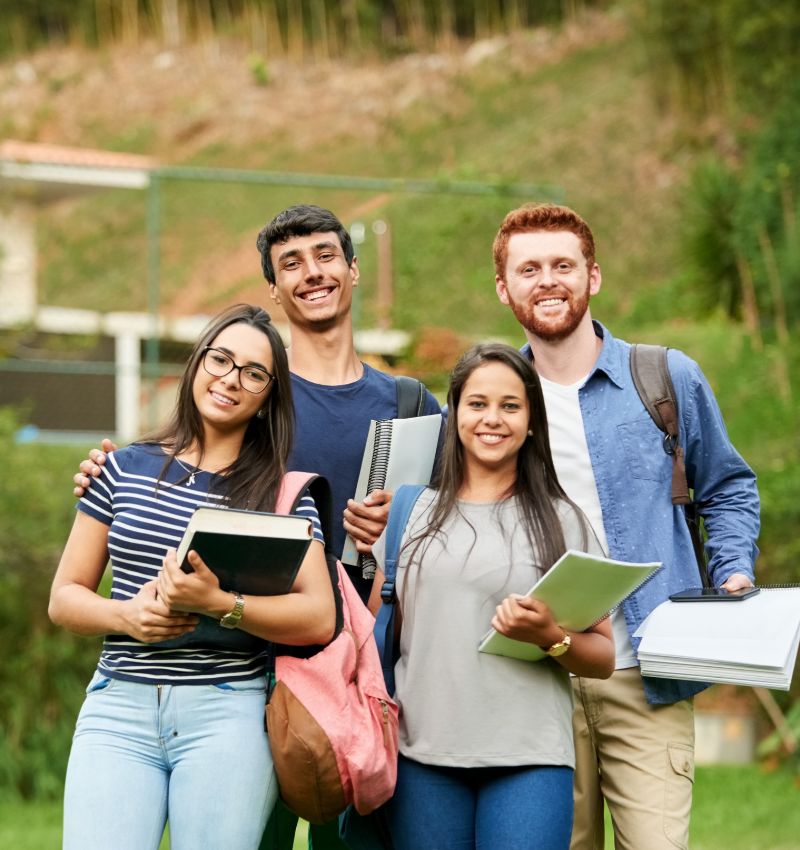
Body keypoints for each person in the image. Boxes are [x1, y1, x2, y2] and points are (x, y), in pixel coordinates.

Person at [71, 204, 442, 850]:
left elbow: (461, 523)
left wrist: (402, 525)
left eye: (326, 256)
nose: (312, 273)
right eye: (291, 264)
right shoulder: (248, 404)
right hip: (245, 675)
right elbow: (173, 486)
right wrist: (107, 476)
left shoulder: (409, 405)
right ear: (273, 288)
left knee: (350, 843)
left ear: (354, 269)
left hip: (354, 670)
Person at [491, 202, 760, 850]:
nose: (548, 279)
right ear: (504, 288)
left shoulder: (663, 378)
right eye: (529, 268)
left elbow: (726, 486)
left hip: (648, 677)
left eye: (563, 264)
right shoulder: (491, 399)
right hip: (535, 682)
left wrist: (732, 569)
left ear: (594, 277)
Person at [50, 304, 336, 850]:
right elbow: (64, 598)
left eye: (253, 373)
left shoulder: (282, 495)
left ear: (267, 398)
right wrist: (127, 616)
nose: (230, 379)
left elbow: (319, 617)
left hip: (227, 712)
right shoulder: (122, 467)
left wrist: (220, 602)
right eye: (220, 359)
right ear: (197, 364)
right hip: (118, 706)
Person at [369, 343, 615, 850]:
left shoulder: (562, 520)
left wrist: (551, 636)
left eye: (510, 405)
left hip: (530, 761)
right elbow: (375, 634)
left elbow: (603, 658)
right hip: (420, 759)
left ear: (531, 421)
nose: (492, 419)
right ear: (453, 413)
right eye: (477, 403)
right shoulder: (409, 514)